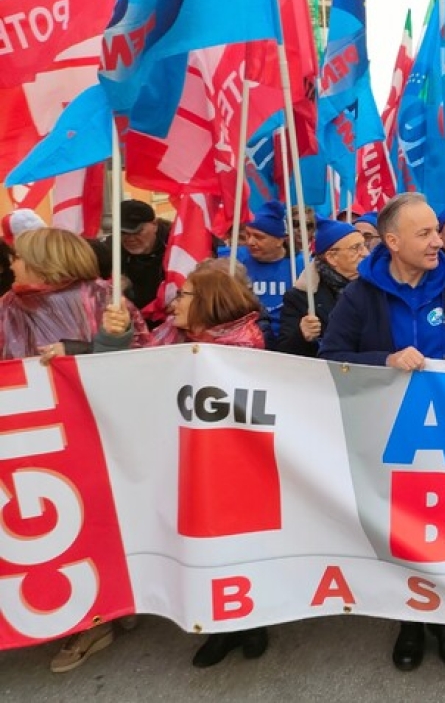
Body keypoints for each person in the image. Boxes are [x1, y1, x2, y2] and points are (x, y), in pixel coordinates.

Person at [319, 192, 445, 673]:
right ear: (393, 242)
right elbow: (331, 356)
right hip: (387, 439)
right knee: (402, 532)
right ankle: (410, 621)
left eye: (436, 230)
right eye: (425, 234)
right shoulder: (360, 294)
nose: (438, 241)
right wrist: (386, 362)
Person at [100, 264, 266, 667]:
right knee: (198, 542)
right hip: (185, 461)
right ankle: (218, 625)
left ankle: (253, 621)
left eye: (185, 295)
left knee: (238, 546)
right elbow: (132, 369)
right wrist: (115, 333)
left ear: (208, 302)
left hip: (233, 466)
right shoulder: (172, 337)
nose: (174, 302)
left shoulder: (245, 344)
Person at [0, 228, 150, 672]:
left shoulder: (102, 298)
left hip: (100, 428)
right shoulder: (9, 305)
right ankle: (91, 615)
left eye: (19, 258)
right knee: (58, 520)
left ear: (47, 260)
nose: (11, 265)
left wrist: (93, 346)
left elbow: (142, 362)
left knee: (106, 514)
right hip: (37, 431)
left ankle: (108, 609)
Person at [278, 217, 366, 357]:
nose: (366, 253)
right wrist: (302, 335)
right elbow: (284, 352)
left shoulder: (375, 288)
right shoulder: (301, 297)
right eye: (356, 248)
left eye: (364, 245)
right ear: (332, 257)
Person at [230, 201, 304, 349]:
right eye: (248, 235)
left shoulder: (302, 265)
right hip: (246, 344)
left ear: (279, 240)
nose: (250, 242)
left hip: (289, 344)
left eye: (259, 237)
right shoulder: (233, 260)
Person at [103, 200, 169, 326]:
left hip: (167, 324)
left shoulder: (176, 245)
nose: (130, 238)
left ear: (154, 225)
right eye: (123, 233)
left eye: (137, 231)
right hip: (129, 325)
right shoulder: (110, 249)